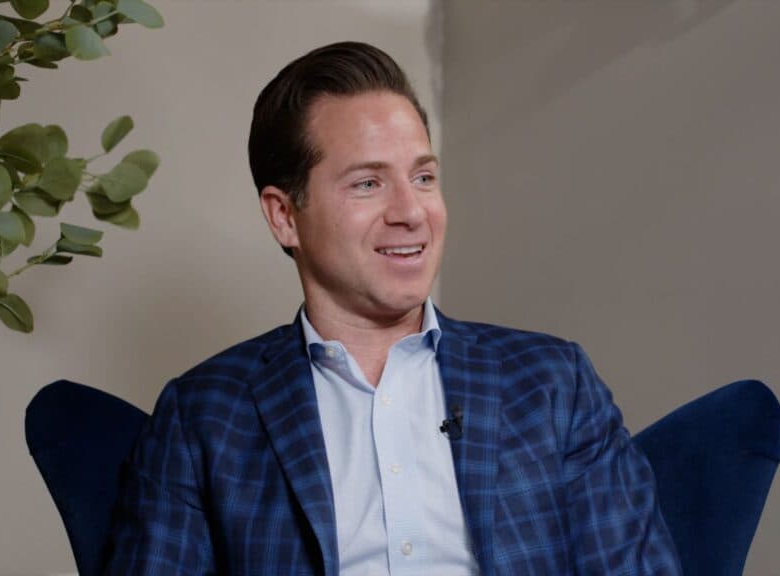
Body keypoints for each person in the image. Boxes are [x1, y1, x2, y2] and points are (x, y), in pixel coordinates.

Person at [105, 41, 681, 575]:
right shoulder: (202, 416)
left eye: (423, 177)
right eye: (367, 184)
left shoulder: (553, 383)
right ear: (284, 216)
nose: (410, 211)